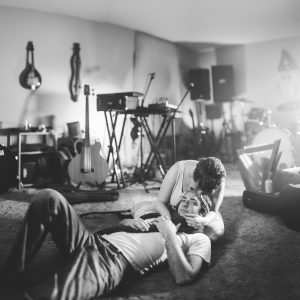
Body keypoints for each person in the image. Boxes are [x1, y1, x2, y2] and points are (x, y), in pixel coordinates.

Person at [0, 188, 211, 300]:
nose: (185, 202)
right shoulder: (159, 217)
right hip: (92, 241)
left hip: (109, 263)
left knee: (44, 295)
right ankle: (11, 272)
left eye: (193, 202)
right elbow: (129, 221)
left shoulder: (198, 238)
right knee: (49, 197)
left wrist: (169, 235)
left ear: (203, 212)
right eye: (184, 198)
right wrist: (126, 222)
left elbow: (185, 276)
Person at [152, 157, 227, 242]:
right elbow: (160, 202)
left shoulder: (218, 178)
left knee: (216, 235)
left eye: (204, 192)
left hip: (201, 216)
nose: (198, 193)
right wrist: (168, 219)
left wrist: (204, 221)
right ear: (194, 176)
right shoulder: (177, 170)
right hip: (172, 213)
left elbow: (214, 210)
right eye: (198, 187)